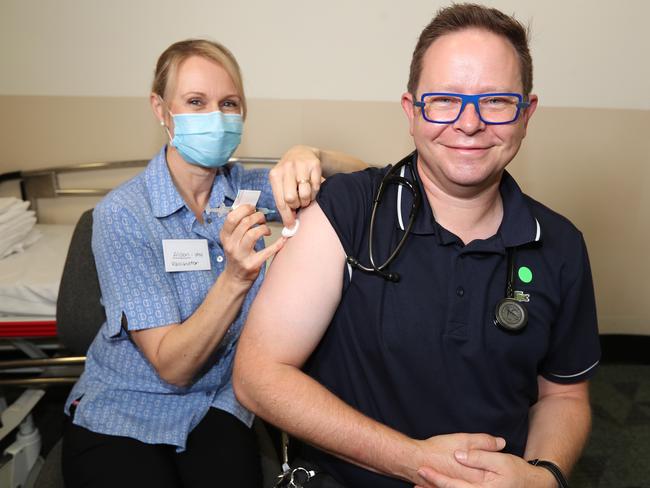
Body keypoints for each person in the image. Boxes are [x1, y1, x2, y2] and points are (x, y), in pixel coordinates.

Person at [233, 4, 600, 488]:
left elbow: (564, 397)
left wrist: (545, 477)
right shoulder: (347, 211)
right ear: (411, 111)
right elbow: (259, 375)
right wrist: (410, 460)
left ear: (526, 113)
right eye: (445, 99)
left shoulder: (559, 245)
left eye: (496, 101)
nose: (469, 123)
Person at [61, 39, 366, 488]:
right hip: (127, 410)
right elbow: (173, 366)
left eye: (229, 104)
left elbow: (368, 181)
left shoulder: (250, 189)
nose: (215, 118)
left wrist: (312, 155)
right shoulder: (123, 215)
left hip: (218, 406)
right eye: (195, 102)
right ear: (161, 109)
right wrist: (236, 277)